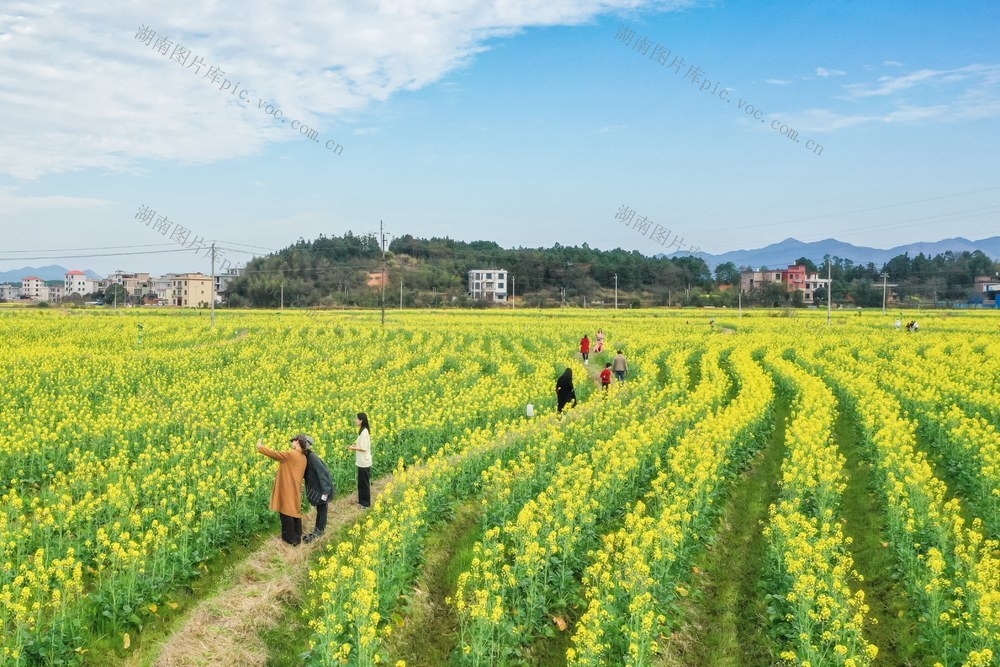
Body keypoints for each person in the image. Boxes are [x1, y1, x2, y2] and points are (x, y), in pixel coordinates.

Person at [257, 435, 308, 545]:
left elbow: (274, 454)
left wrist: (260, 447)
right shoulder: (304, 457)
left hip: (287, 487)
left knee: (286, 511)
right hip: (296, 487)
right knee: (294, 510)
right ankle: (297, 536)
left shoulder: (291, 454)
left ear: (297, 442)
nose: (291, 443)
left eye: (292, 441)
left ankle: (290, 539)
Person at [299, 435, 335, 543]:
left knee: (322, 510)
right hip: (317, 489)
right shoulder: (306, 456)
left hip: (322, 489)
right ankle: (317, 531)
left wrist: (326, 492)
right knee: (320, 510)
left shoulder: (312, 457)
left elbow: (323, 473)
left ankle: (319, 532)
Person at [346, 412, 372, 508]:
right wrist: (355, 446)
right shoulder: (362, 431)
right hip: (362, 462)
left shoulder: (364, 432)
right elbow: (362, 446)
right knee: (361, 483)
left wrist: (353, 448)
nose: (355, 420)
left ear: (361, 420)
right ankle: (362, 502)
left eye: (357, 419)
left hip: (364, 462)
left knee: (364, 484)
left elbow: (364, 448)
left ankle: (366, 504)